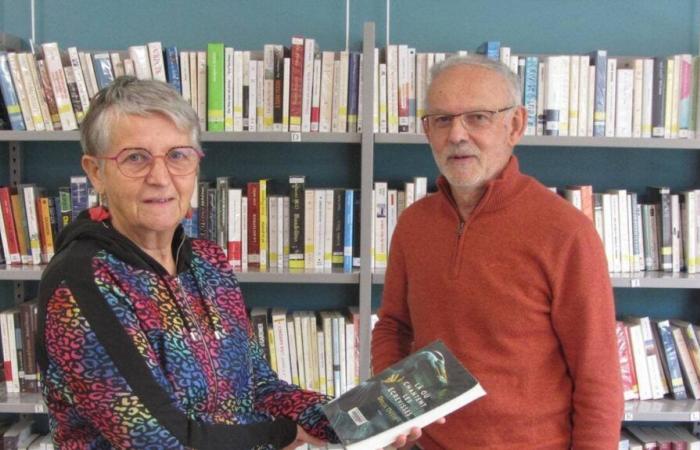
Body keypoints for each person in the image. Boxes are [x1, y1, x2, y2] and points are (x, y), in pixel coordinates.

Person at [35, 76, 424, 450]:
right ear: (96, 172)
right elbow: (159, 440)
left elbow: (260, 387)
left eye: (177, 156)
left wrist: (362, 419)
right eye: (135, 158)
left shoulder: (208, 264)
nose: (160, 177)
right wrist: (279, 434)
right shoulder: (82, 283)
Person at [371, 55, 623, 449]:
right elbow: (394, 327)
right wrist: (389, 411)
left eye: (477, 117)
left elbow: (598, 380)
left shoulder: (566, 232)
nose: (456, 135)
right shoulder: (413, 224)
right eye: (441, 119)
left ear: (515, 125)